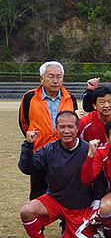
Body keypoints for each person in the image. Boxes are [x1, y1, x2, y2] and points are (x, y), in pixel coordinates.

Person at [19, 111, 103, 238]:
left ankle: (69, 234)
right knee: (26, 211)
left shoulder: (88, 149)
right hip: (55, 200)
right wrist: (28, 145)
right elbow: (27, 169)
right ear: (56, 128)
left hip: (79, 206)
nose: (66, 131)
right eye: (62, 127)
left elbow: (98, 179)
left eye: (70, 126)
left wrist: (96, 203)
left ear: (77, 128)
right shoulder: (49, 149)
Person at [19, 61, 78, 200]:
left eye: (59, 77)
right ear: (42, 78)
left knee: (66, 191)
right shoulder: (29, 97)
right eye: (51, 76)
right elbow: (24, 122)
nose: (55, 80)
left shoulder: (70, 98)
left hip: (64, 153)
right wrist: (35, 138)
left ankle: (66, 221)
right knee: (38, 192)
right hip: (39, 151)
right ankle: (36, 220)